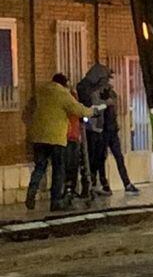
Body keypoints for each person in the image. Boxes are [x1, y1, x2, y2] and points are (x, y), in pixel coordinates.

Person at [26, 74, 99, 211]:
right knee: (58, 170)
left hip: (38, 137)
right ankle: (55, 202)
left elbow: (29, 110)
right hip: (56, 137)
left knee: (40, 167)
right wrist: (93, 112)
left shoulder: (41, 92)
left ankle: (31, 192)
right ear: (64, 84)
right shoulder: (62, 94)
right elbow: (78, 110)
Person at [99, 77, 139, 194]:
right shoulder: (100, 94)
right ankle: (104, 184)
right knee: (102, 159)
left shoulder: (111, 93)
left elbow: (116, 107)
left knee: (118, 158)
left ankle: (126, 183)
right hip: (104, 131)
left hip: (111, 130)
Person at [77, 64, 111, 194]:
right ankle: (89, 184)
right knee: (90, 157)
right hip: (90, 127)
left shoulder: (98, 88)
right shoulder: (85, 88)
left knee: (99, 156)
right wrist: (104, 104)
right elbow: (90, 107)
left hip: (99, 127)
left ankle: (96, 182)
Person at [63, 87, 90, 200]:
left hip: (71, 137)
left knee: (72, 165)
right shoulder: (71, 105)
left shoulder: (68, 105)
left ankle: (71, 189)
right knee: (72, 165)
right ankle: (70, 189)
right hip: (71, 137)